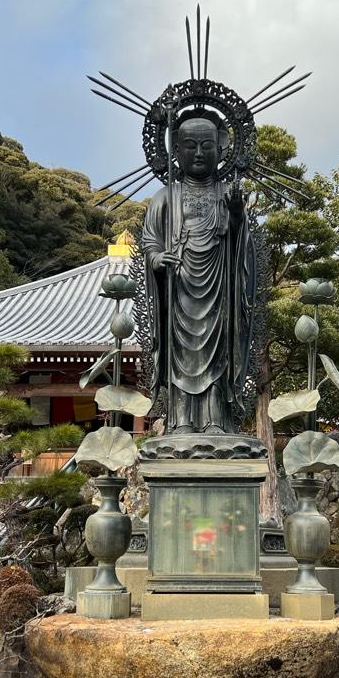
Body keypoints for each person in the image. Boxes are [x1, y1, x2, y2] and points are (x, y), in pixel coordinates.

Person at [142, 109, 256, 434]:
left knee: (217, 357)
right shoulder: (165, 197)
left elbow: (240, 245)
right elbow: (150, 240)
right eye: (190, 145)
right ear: (175, 151)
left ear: (221, 151)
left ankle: (215, 421)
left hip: (219, 290)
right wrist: (156, 260)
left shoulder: (226, 195)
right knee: (181, 360)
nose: (199, 153)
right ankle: (180, 422)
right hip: (177, 291)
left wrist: (236, 214)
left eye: (207, 145)